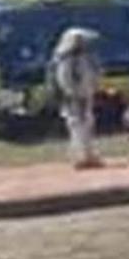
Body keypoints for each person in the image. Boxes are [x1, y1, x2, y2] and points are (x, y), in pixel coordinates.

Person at [52, 27, 103, 168]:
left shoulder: (85, 57)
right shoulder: (66, 59)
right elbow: (65, 80)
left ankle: (89, 155)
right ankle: (81, 157)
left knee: (87, 125)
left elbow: (93, 75)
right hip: (75, 99)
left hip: (85, 96)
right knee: (78, 127)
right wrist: (74, 95)